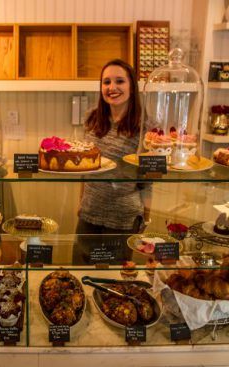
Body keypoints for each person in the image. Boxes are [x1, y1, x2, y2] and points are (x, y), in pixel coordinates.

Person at [74, 59, 151, 263]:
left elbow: (149, 178)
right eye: (106, 82)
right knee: (79, 273)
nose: (112, 87)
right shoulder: (92, 119)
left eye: (119, 81)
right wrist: (81, 203)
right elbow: (85, 167)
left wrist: (147, 216)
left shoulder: (144, 126)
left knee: (113, 281)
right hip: (89, 213)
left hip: (123, 220)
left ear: (132, 87)